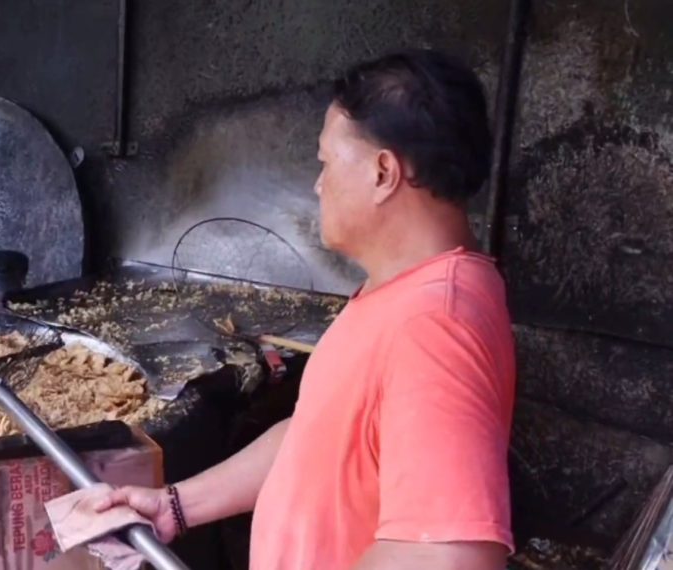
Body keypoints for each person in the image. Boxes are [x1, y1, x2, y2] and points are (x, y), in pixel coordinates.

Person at [94, 49, 517, 570]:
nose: (318, 185)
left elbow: (451, 557)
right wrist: (175, 506)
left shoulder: (435, 326)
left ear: (383, 173)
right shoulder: (404, 293)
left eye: (326, 162)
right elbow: (314, 438)